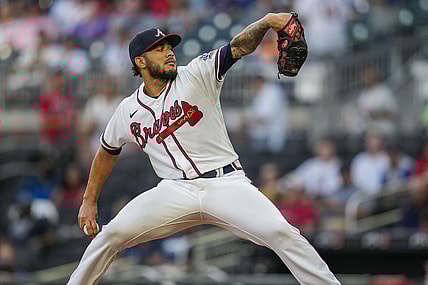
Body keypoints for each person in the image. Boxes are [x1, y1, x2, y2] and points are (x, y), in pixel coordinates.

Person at [67, 14, 340, 285]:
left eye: (169, 47)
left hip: (226, 183)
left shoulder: (197, 73)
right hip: (174, 190)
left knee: (282, 233)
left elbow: (238, 47)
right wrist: (89, 200)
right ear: (141, 61)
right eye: (159, 49)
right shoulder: (128, 110)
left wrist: (266, 22)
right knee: (111, 234)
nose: (169, 53)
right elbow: (107, 150)